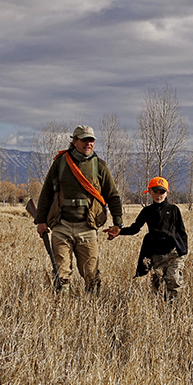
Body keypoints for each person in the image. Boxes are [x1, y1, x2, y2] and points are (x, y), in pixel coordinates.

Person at [34, 125, 123, 292]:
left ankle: (92, 310)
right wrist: (41, 221)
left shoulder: (100, 166)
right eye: (84, 140)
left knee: (91, 274)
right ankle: (63, 310)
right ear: (74, 141)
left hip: (88, 227)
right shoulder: (60, 163)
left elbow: (113, 196)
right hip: (61, 226)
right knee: (61, 274)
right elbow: (46, 193)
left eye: (91, 140)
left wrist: (118, 223)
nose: (88, 143)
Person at [109, 176, 188, 300]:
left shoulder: (173, 210)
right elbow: (135, 228)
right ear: (149, 192)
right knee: (157, 285)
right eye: (155, 191)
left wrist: (183, 251)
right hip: (155, 254)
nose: (158, 195)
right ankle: (159, 309)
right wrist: (119, 232)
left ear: (167, 193)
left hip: (173, 253)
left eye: (162, 192)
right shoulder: (147, 211)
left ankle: (175, 309)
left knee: (173, 279)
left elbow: (182, 231)